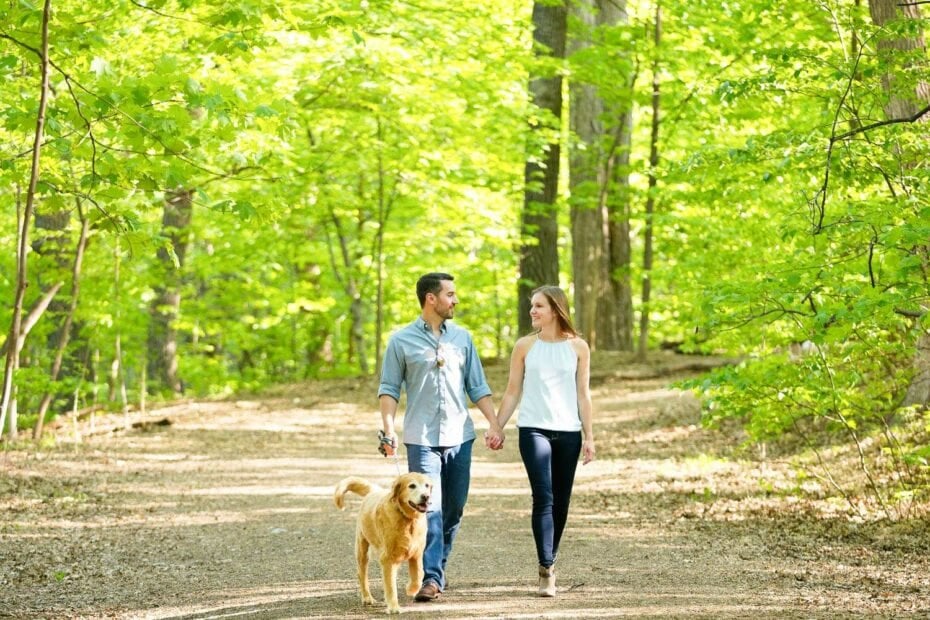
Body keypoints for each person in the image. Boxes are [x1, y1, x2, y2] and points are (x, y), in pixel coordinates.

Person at [378, 272, 504, 603]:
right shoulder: (401, 341)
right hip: (421, 437)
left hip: (460, 436)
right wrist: (388, 429)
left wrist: (494, 423)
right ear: (431, 299)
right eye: (450, 294)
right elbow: (389, 388)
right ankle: (431, 578)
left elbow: (477, 386)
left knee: (454, 509)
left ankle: (437, 568)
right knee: (428, 508)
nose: (455, 300)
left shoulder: (462, 339)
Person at [495, 285, 595, 597]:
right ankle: (546, 567)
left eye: (539, 306)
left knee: (561, 501)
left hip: (568, 432)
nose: (532, 311)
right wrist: (496, 426)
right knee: (544, 496)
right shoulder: (524, 346)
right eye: (532, 306)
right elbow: (513, 390)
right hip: (533, 428)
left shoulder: (578, 347)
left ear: (555, 309)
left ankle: (551, 554)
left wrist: (589, 436)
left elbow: (583, 394)